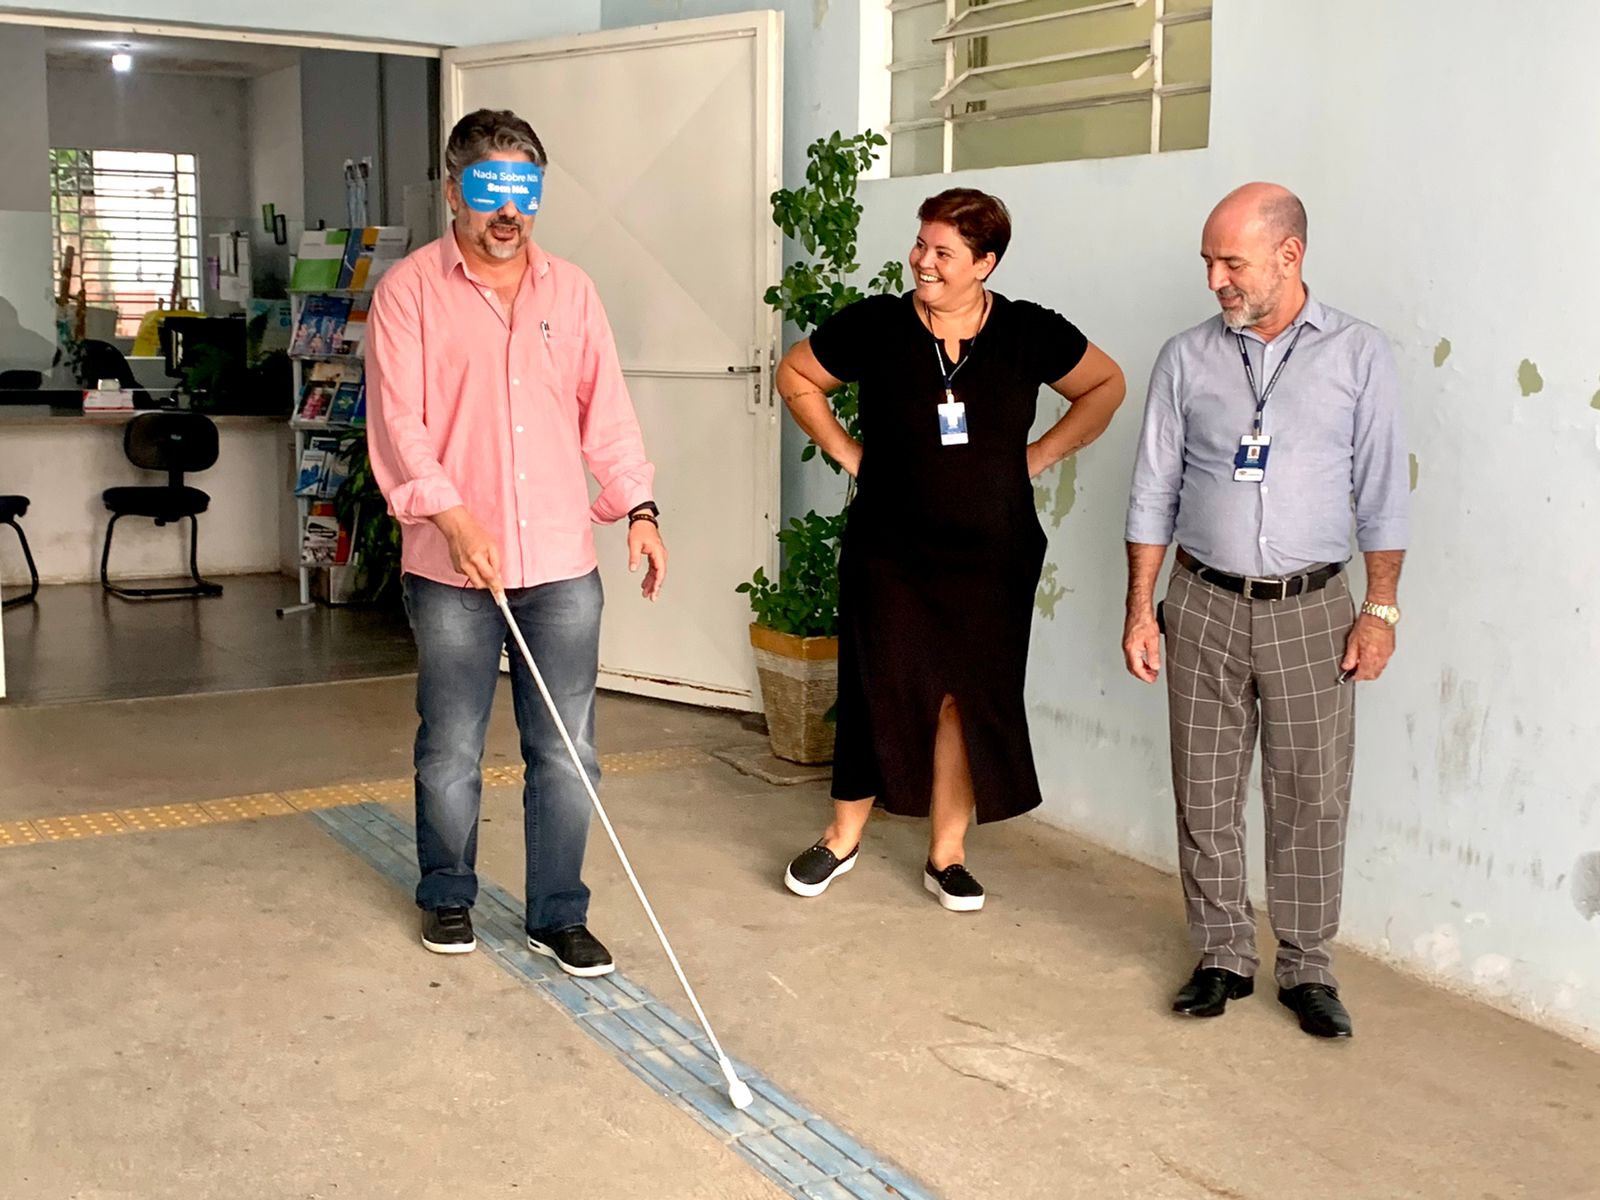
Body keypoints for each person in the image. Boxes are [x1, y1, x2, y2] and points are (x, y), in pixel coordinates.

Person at [366, 108, 667, 976]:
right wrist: (453, 517)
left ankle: (557, 914)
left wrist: (640, 508)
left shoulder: (571, 292)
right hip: (449, 569)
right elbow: (400, 426)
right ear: (453, 190)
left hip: (561, 566)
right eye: (490, 190)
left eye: (523, 192)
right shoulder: (409, 293)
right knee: (451, 748)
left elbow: (606, 413)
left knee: (569, 753)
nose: (509, 211)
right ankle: (447, 895)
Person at [776, 188, 1126, 911]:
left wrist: (1036, 456)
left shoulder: (1027, 331)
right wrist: (848, 453)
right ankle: (841, 838)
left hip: (993, 556)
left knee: (964, 700)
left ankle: (948, 854)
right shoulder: (878, 325)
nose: (922, 261)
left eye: (943, 252)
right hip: (889, 551)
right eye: (921, 244)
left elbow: (1105, 385)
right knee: (874, 686)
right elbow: (797, 375)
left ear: (985, 263)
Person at [1122, 182, 1408, 1038]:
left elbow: (1382, 495)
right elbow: (1152, 492)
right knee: (1204, 791)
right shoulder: (1185, 358)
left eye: (1231, 262)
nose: (1215, 279)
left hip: (1313, 610)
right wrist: (1141, 609)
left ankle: (1308, 967)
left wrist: (1380, 610)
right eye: (1208, 262)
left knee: (1310, 796)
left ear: (1290, 255)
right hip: (1202, 601)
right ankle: (1221, 955)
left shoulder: (1358, 354)